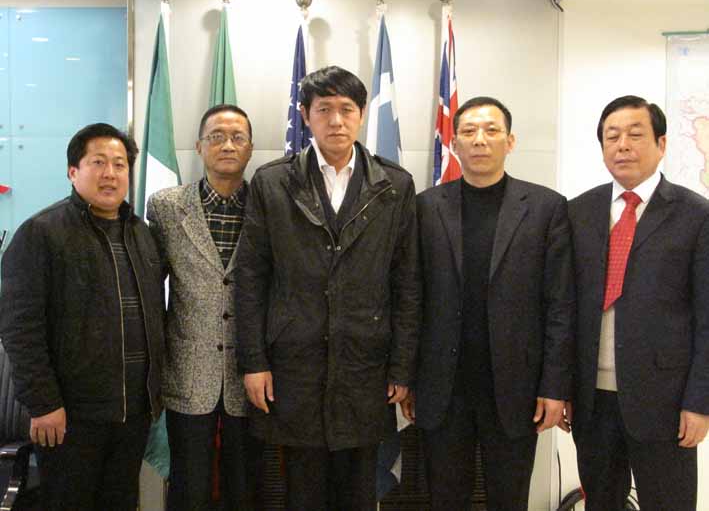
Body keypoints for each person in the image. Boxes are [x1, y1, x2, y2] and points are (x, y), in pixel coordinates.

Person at [233, 65, 420, 511]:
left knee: (359, 491)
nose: (336, 121)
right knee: (304, 491)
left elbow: (407, 283)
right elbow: (251, 278)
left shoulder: (394, 185)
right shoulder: (273, 182)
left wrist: (402, 367)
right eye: (324, 109)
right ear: (305, 115)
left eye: (347, 109)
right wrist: (254, 362)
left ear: (362, 115)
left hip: (366, 366)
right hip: (295, 366)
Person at [406, 96, 574, 511]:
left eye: (491, 130)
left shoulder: (546, 208)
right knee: (445, 499)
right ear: (454, 144)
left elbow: (560, 305)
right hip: (442, 388)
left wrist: (554, 386)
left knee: (509, 499)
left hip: (516, 388)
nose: (480, 139)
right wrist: (405, 375)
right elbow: (410, 296)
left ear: (510, 141)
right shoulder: (425, 207)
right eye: (468, 131)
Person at [0, 123, 165, 511]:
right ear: (73, 171)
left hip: (134, 413)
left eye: (120, 164)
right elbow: (19, 329)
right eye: (98, 162)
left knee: (121, 502)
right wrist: (43, 403)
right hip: (70, 417)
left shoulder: (142, 234)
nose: (111, 173)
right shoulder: (41, 233)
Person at [568, 95, 709, 511]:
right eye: (612, 136)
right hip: (592, 400)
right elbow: (564, 308)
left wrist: (699, 402)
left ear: (661, 144)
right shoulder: (578, 212)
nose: (623, 145)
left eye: (635, 134)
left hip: (665, 400)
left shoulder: (696, 215)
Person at [146, 104, 263, 510]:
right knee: (188, 487)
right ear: (199, 146)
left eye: (237, 137)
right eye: (216, 136)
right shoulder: (166, 207)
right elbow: (150, 287)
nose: (227, 145)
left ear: (250, 148)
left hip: (253, 374)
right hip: (188, 370)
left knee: (245, 487)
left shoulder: (270, 205)